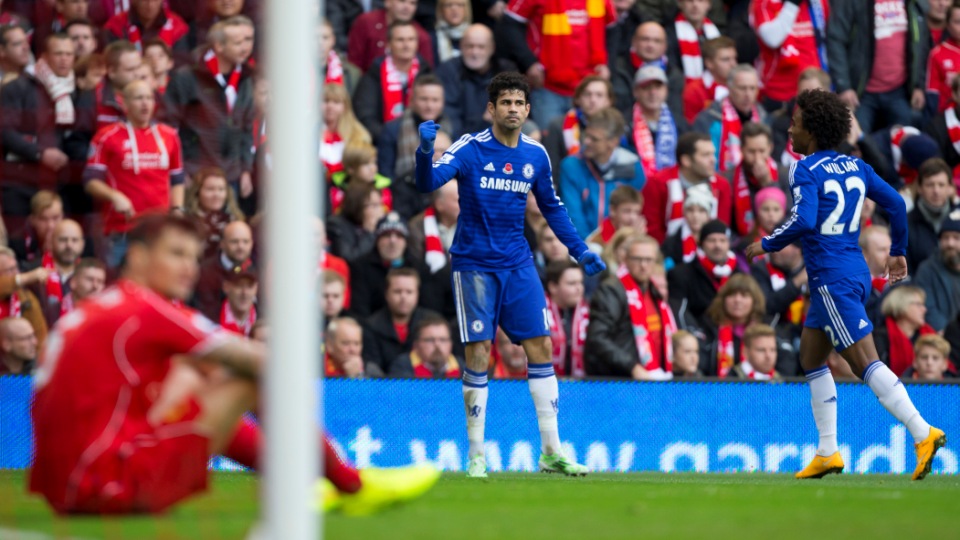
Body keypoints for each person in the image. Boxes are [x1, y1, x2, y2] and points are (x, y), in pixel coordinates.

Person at [29, 214, 436, 515]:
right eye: (175, 254)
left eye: (193, 256)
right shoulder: (146, 309)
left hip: (65, 485)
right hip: (108, 483)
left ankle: (307, 483)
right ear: (137, 257)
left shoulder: (104, 308)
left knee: (191, 375)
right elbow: (264, 363)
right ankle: (348, 483)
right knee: (249, 379)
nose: (189, 266)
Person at [745, 89, 945, 481]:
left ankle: (922, 433)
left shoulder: (804, 169)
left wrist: (766, 243)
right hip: (848, 271)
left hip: (831, 278)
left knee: (864, 363)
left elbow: (803, 221)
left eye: (797, 122)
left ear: (813, 130)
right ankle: (828, 451)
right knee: (811, 357)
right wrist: (898, 249)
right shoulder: (856, 166)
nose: (790, 127)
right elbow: (896, 205)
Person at [415, 71, 607, 477]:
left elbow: (552, 207)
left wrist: (579, 250)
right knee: (479, 354)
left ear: (528, 109)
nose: (513, 109)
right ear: (492, 108)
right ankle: (477, 455)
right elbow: (426, 182)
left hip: (519, 264)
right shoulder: (470, 148)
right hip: (474, 265)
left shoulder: (536, 155)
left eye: (520, 103)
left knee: (541, 348)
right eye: (506, 102)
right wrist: (425, 150)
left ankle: (551, 451)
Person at [84, 79, 185, 268]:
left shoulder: (169, 135)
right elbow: (90, 181)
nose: (145, 103)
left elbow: (177, 178)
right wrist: (114, 196)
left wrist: (177, 210)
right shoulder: (106, 136)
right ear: (124, 103)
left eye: (149, 98)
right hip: (122, 230)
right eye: (139, 98)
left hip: (158, 231)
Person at [165, 16, 256, 199]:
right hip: (195, 175)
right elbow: (168, 128)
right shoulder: (188, 77)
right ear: (219, 46)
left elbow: (247, 129)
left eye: (249, 39)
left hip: (231, 176)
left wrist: (245, 170)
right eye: (238, 42)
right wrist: (180, 170)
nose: (246, 47)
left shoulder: (246, 78)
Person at [0, 34, 86, 227]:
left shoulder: (78, 91)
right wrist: (40, 153)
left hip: (60, 183)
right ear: (45, 57)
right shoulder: (17, 87)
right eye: (58, 53)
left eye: (68, 54)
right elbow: (5, 131)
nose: (64, 59)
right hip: (19, 181)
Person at [496, 0, 615, 127]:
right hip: (548, 88)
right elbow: (510, 23)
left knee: (591, 142)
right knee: (550, 143)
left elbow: (613, 28)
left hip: (589, 90)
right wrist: (529, 63)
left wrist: (607, 64)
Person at [826, 0, 929, 133]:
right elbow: (836, 40)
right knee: (857, 144)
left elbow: (921, 44)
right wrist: (844, 86)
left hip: (899, 91)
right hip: (860, 94)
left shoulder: (913, 2)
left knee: (906, 144)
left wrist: (918, 85)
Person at [586, 234, 676, 379]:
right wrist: (632, 367)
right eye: (637, 259)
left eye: (648, 260)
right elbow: (597, 338)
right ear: (625, 259)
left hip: (654, 376)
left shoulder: (654, 291)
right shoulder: (612, 290)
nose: (643, 265)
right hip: (622, 380)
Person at [558, 107, 646, 239]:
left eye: (594, 139)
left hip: (622, 244)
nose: (586, 142)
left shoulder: (633, 167)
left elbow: (637, 215)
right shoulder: (571, 166)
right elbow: (573, 216)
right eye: (586, 135)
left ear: (613, 142)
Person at [641, 131, 729, 244]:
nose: (713, 160)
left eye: (713, 154)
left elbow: (721, 227)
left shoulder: (721, 186)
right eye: (706, 155)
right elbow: (653, 230)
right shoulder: (658, 183)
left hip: (709, 252)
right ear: (686, 160)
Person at [353, 21, 434, 142]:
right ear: (389, 44)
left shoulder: (426, 74)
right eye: (400, 40)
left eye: (411, 39)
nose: (406, 45)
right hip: (382, 143)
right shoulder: (374, 74)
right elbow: (366, 116)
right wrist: (390, 138)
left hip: (422, 143)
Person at [750, 0, 829, 112]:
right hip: (779, 97)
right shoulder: (764, 3)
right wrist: (792, 4)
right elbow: (773, 39)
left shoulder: (818, 3)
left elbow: (825, 42)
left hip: (813, 95)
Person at [361, 267, 441, 373]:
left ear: (417, 294)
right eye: (397, 291)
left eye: (409, 292)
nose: (403, 297)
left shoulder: (434, 323)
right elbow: (372, 367)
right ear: (387, 294)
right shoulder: (370, 326)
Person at [377, 74, 453, 182]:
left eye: (435, 100)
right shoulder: (392, 130)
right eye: (424, 99)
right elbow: (386, 174)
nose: (429, 106)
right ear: (411, 100)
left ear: (443, 102)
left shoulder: (453, 129)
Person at [693, 64, 767, 172]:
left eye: (752, 88)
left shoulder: (763, 118)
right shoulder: (707, 119)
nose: (748, 94)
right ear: (729, 87)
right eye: (742, 88)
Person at [435, 24, 503, 138]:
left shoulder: (505, 71)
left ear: (492, 48)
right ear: (461, 46)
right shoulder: (447, 71)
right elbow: (451, 125)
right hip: (461, 144)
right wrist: (485, 121)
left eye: (481, 47)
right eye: (470, 46)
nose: (475, 52)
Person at [669, 219, 740, 325]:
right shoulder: (681, 274)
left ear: (729, 244)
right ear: (701, 243)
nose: (717, 246)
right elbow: (679, 313)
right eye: (711, 240)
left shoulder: (739, 274)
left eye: (722, 240)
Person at [612, 22, 685, 121]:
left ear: (665, 46)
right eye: (645, 39)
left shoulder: (674, 74)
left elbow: (676, 112)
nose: (650, 45)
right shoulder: (617, 68)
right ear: (634, 41)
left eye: (657, 41)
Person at [727, 122, 789, 237]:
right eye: (751, 151)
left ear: (770, 148)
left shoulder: (786, 175)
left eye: (761, 151)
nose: (757, 158)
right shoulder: (729, 179)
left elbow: (791, 217)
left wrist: (769, 183)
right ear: (741, 149)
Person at [699, 273, 767, 376]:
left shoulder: (765, 331)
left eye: (744, 295)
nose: (737, 300)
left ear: (754, 301)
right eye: (732, 295)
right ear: (723, 300)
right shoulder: (708, 328)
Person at [543, 76, 614, 173]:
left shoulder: (615, 126)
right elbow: (551, 168)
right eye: (587, 94)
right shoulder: (557, 125)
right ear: (578, 99)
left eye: (599, 95)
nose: (593, 100)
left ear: (609, 101)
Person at [628, 65, 684, 180]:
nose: (652, 93)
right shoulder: (625, 123)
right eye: (646, 88)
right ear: (635, 92)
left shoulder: (680, 122)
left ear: (666, 90)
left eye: (658, 87)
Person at [347, 0, 435, 73]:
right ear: (387, 2)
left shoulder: (422, 36)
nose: (407, 7)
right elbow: (354, 63)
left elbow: (425, 73)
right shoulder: (366, 22)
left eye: (412, 3)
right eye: (402, 1)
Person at [194, 220, 255, 320]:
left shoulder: (256, 270)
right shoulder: (205, 273)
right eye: (234, 241)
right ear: (222, 244)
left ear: (252, 244)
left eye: (245, 241)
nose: (241, 247)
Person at [906, 158, 957, 272]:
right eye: (930, 185)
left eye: (941, 185)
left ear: (950, 188)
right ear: (919, 188)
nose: (936, 191)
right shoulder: (905, 224)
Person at [874, 285, 936, 376]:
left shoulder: (929, 335)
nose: (924, 309)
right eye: (919, 304)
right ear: (902, 306)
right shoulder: (880, 337)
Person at [185, 166, 245, 260]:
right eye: (210, 189)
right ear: (197, 192)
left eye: (221, 189)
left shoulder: (235, 221)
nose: (217, 195)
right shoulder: (187, 222)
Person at [914, 212, 960, 332]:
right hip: (942, 338)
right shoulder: (927, 269)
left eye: (956, 238)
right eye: (945, 238)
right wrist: (951, 335)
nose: (950, 243)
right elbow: (928, 307)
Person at [102, 0, 190, 62]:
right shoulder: (115, 26)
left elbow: (179, 64)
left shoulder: (178, 27)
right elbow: (113, 63)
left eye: (154, 0)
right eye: (144, 0)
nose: (150, 5)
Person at [544, 260, 589, 378]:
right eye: (571, 283)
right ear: (553, 287)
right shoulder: (537, 313)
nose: (579, 288)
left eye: (580, 282)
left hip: (580, 387)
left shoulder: (589, 311)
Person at [35, 219, 84, 326]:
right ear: (51, 242)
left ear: (82, 244)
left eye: (74, 240)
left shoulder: (90, 274)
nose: (69, 245)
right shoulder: (33, 271)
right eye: (63, 240)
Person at [321, 83, 372, 181]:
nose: (330, 106)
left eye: (336, 102)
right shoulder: (307, 134)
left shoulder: (359, 135)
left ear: (345, 106)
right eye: (326, 101)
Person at [681, 36, 736, 124]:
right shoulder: (694, 90)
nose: (733, 64)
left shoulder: (741, 86)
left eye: (734, 59)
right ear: (709, 63)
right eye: (726, 60)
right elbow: (693, 126)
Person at [666, 0, 721, 88]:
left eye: (700, 1)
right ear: (680, 4)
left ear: (709, 4)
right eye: (689, 1)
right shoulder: (669, 33)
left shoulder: (716, 33)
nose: (695, 5)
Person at [387, 314, 463, 377]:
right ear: (416, 345)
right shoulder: (402, 366)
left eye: (443, 340)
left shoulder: (461, 366)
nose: (437, 345)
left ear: (451, 344)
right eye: (430, 340)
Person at [326, 183, 385, 263]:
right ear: (358, 205)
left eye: (380, 205)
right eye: (374, 206)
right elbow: (349, 259)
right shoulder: (336, 224)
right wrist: (369, 233)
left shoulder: (381, 225)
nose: (380, 211)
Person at [662, 183, 713, 269]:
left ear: (708, 214)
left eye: (701, 211)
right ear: (684, 213)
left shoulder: (718, 240)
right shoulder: (671, 244)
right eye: (690, 210)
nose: (695, 215)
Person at [95, 40, 141, 130]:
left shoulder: (151, 95)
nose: (138, 74)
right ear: (112, 72)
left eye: (138, 67)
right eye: (130, 69)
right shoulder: (94, 98)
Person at [9, 190, 62, 268]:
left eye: (55, 218)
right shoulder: (17, 242)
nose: (50, 226)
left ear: (62, 216)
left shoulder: (73, 236)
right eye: (43, 219)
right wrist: (45, 255)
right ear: (32, 220)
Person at [585, 184, 644, 250]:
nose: (633, 218)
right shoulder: (595, 244)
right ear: (612, 210)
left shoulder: (638, 233)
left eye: (637, 212)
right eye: (627, 211)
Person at [926, 2, 960, 114]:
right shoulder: (937, 54)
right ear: (948, 25)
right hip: (948, 117)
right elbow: (932, 95)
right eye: (958, 22)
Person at [219, 267, 258, 337]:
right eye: (239, 286)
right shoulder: (210, 318)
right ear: (226, 287)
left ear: (256, 289)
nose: (244, 293)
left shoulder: (265, 318)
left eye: (249, 286)